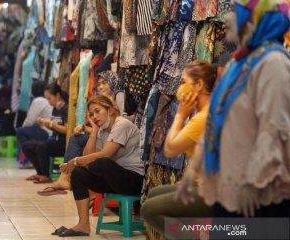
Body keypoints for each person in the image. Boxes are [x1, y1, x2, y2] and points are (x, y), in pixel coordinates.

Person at [195, 0, 290, 218]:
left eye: (235, 14)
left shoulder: (274, 63)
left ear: (256, 21)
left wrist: (254, 183)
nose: (227, 20)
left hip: (259, 192)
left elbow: (275, 129)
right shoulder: (239, 63)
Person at [140, 60, 217, 236]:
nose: (179, 88)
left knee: (149, 210)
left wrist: (180, 115)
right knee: (155, 194)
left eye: (183, 82)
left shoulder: (202, 118)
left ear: (198, 85)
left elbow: (170, 148)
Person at [55, 95, 144, 237]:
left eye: (98, 111)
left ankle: (87, 195)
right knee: (78, 173)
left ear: (110, 110)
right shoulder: (102, 130)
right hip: (115, 179)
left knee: (101, 161)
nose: (94, 116)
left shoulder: (122, 124)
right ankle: (83, 225)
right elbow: (88, 155)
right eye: (91, 114)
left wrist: (76, 160)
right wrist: (95, 130)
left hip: (134, 180)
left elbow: (105, 155)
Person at [37, 71, 125, 195]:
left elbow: (115, 124)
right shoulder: (101, 100)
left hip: (113, 137)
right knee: (77, 138)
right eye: (99, 84)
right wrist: (85, 128)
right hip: (103, 135)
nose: (100, 87)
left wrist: (85, 129)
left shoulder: (117, 97)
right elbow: (100, 127)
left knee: (76, 140)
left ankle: (65, 178)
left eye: (104, 83)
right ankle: (69, 179)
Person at [22, 82, 68, 184]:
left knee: (42, 147)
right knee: (27, 146)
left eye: (49, 98)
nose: (48, 101)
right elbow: (54, 127)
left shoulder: (66, 109)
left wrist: (50, 124)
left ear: (57, 95)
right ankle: (40, 173)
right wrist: (44, 123)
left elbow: (66, 130)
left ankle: (45, 175)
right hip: (53, 140)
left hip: (62, 143)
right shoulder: (55, 109)